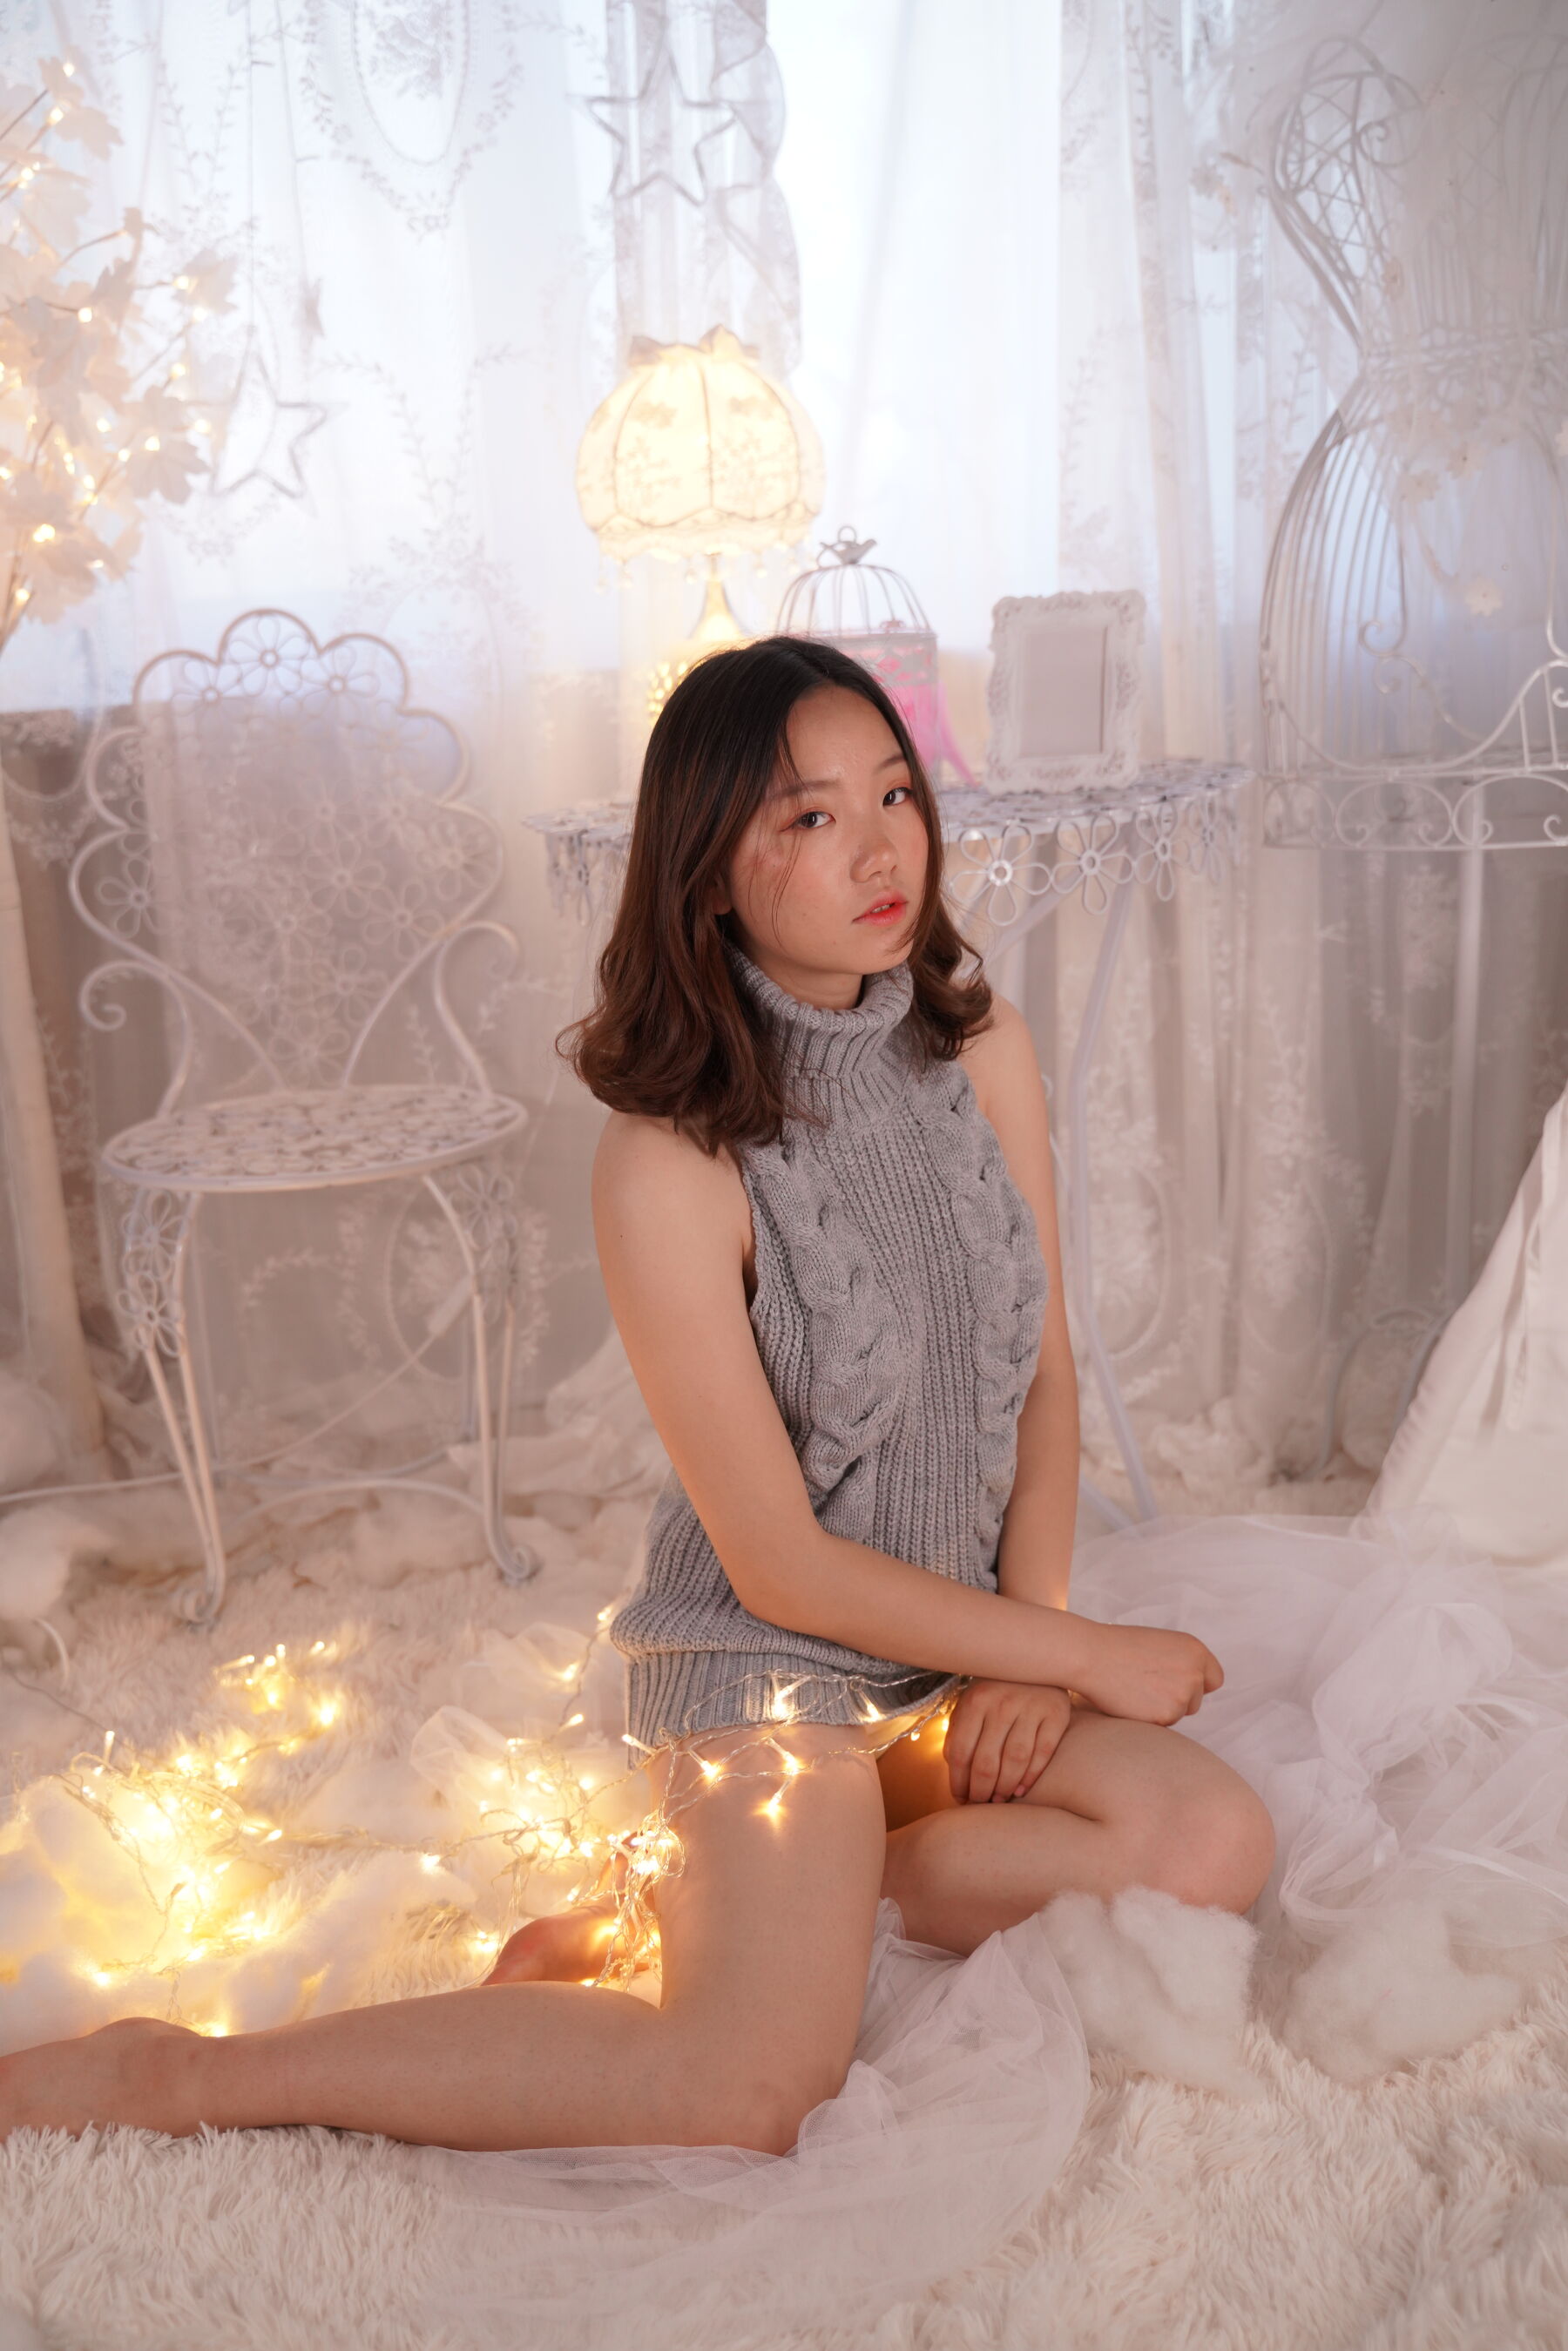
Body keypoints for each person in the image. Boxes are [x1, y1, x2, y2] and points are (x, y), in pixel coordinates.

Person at [0, 635, 1275, 2154]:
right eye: (809, 817)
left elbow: (1043, 1373)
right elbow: (779, 1568)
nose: (880, 850)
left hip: (954, 1658)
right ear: (710, 872)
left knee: (1211, 1845)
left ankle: (775, 1893)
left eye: (894, 793)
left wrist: (1033, 1654)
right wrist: (1075, 1652)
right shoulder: (667, 1161)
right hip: (771, 1668)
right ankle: (177, 2078)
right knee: (747, 2091)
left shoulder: (978, 1046)